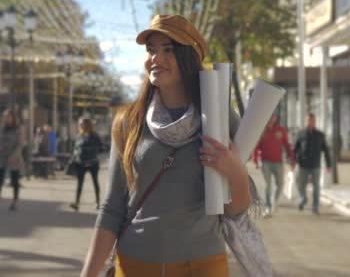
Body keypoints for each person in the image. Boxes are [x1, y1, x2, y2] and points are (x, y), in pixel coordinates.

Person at [80, 14, 251, 277]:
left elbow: (236, 209)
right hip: (136, 264)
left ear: (189, 57)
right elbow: (112, 207)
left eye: (168, 49)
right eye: (151, 50)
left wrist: (234, 170)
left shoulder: (218, 118)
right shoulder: (129, 121)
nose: (155, 58)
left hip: (202, 265)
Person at [252, 114, 294, 217]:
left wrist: (291, 158)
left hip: (278, 162)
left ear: (275, 118)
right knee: (268, 185)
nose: (271, 119)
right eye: (269, 117)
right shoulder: (262, 131)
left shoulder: (281, 130)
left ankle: (274, 202)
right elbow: (256, 147)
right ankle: (268, 206)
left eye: (273, 117)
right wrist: (255, 160)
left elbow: (287, 145)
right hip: (265, 162)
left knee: (280, 184)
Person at [292, 113, 332, 215]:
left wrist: (328, 165)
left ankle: (315, 206)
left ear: (315, 122)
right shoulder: (300, 134)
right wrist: (292, 162)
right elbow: (295, 149)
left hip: (315, 165)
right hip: (303, 165)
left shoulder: (320, 135)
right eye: (308, 120)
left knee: (316, 187)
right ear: (306, 121)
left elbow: (326, 150)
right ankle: (303, 198)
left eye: (312, 120)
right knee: (300, 185)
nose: (310, 122)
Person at [0, 109, 25, 212]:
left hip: (14, 158)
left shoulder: (18, 128)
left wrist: (13, 156)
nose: (6, 118)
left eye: (8, 116)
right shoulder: (2, 128)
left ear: (13, 117)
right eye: (5, 116)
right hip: (2, 157)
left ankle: (15, 202)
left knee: (14, 180)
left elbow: (20, 144)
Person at [69, 117, 103, 211]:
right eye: (80, 124)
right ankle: (76, 203)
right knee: (79, 184)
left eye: (81, 124)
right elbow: (75, 148)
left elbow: (101, 146)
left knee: (95, 182)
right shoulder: (79, 136)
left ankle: (98, 202)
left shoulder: (95, 136)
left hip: (93, 163)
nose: (80, 125)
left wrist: (92, 151)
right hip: (81, 163)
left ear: (87, 125)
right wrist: (75, 157)